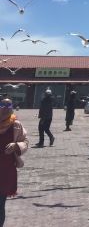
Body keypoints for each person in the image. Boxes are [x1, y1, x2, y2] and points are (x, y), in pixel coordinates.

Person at [0, 97, 28, 227]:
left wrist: (16, 145)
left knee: (0, 204)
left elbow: (25, 142)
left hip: (5, 171)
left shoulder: (16, 124)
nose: (5, 108)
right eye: (2, 105)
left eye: (8, 105)